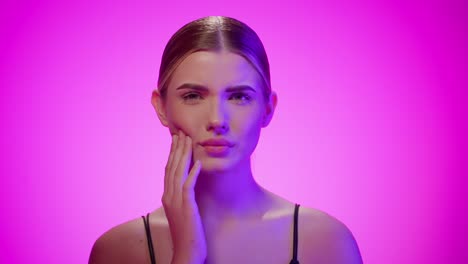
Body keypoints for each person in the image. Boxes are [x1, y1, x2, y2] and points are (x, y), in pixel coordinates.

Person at [89, 16, 362, 264]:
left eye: (238, 96)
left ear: (268, 108)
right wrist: (186, 253)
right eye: (193, 96)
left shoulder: (326, 242)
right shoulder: (117, 251)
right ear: (161, 107)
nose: (217, 119)